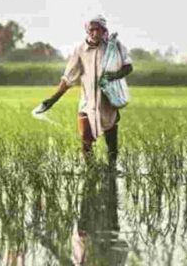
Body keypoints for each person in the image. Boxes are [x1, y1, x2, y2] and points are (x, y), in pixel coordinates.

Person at [40, 15, 133, 166]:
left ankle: (111, 174)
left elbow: (128, 67)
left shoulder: (113, 46)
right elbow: (68, 78)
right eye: (92, 30)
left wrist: (114, 76)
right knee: (86, 141)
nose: (95, 33)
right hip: (87, 103)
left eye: (98, 30)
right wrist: (53, 99)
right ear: (87, 31)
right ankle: (91, 172)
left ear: (104, 30)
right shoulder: (80, 50)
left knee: (112, 146)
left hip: (108, 102)